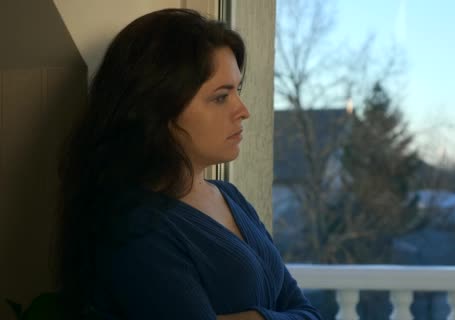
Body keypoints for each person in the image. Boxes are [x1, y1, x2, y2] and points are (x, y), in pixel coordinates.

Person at [55, 8, 322, 320]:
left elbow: (309, 313)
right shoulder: (135, 227)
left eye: (238, 90)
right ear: (161, 106)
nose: (243, 110)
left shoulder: (230, 196)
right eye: (221, 97)